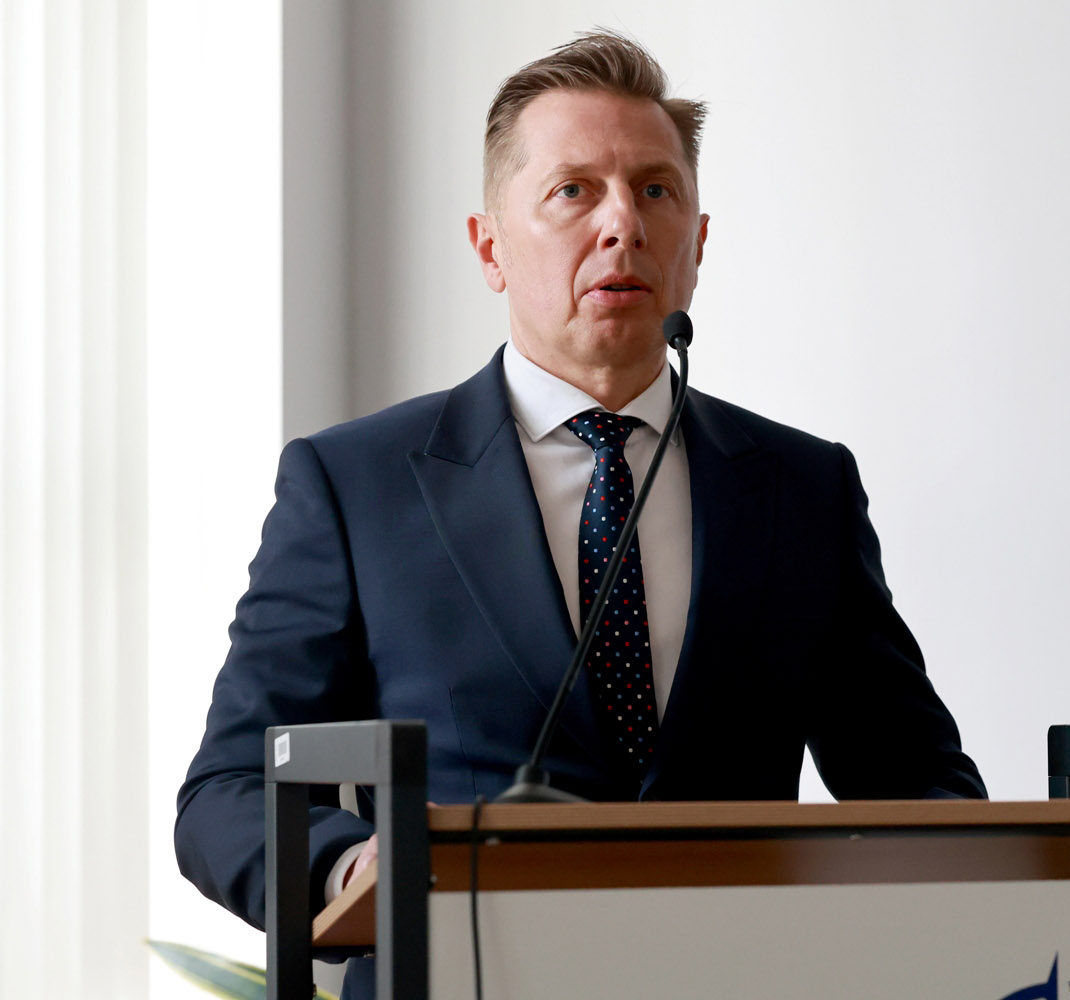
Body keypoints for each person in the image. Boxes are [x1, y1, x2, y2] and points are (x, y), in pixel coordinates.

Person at [176, 29, 985, 994]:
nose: (623, 225)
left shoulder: (802, 488)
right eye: (573, 191)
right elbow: (225, 794)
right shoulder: (356, 486)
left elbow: (920, 782)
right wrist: (354, 868)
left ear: (697, 243)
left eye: (656, 191)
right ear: (489, 247)